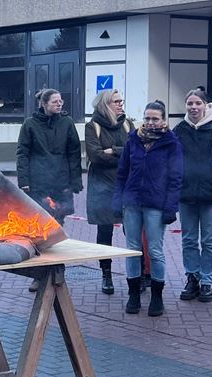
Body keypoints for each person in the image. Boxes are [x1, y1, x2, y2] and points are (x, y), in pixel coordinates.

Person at [113, 100, 183, 316]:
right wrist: (117, 201)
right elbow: (122, 173)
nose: (151, 122)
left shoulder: (171, 144)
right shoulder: (133, 140)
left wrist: (171, 207)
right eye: (147, 118)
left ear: (163, 120)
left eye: (155, 119)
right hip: (132, 202)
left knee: (155, 250)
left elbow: (176, 178)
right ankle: (134, 295)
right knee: (132, 249)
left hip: (156, 204)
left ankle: (157, 297)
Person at [173, 89, 212, 303]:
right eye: (190, 103)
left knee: (209, 240)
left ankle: (207, 282)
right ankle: (192, 278)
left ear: (206, 105)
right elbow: (170, 156)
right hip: (186, 194)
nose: (193, 107)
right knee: (189, 240)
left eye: (197, 103)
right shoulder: (180, 129)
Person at [17, 88, 82, 291]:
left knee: (57, 229)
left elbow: (74, 153)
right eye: (55, 101)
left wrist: (75, 181)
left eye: (61, 101)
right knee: (39, 230)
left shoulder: (67, 123)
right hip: (38, 183)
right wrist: (24, 182)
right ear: (44, 104)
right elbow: (22, 153)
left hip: (61, 183)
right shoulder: (30, 124)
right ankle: (39, 274)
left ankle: (57, 271)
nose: (59, 104)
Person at [85, 89, 134, 295]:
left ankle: (137, 275)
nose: (121, 104)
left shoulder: (127, 124)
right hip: (102, 187)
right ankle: (106, 274)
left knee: (132, 231)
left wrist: (112, 150)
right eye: (116, 101)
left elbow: (134, 152)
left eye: (121, 100)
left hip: (126, 186)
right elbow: (95, 156)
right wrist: (122, 153)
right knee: (105, 232)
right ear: (105, 104)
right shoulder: (92, 126)